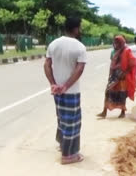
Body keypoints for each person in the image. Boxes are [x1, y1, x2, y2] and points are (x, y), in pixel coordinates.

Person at [44, 17, 87, 165]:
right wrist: (66, 86)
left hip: (57, 92)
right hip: (71, 92)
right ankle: (68, 155)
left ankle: (62, 144)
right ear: (76, 28)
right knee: (72, 122)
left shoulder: (53, 44)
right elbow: (79, 69)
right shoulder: (80, 47)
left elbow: (47, 65)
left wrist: (53, 84)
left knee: (62, 118)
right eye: (79, 28)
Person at [97, 35, 136, 118]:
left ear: (122, 43)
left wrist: (125, 72)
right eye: (115, 42)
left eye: (118, 43)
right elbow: (112, 65)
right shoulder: (113, 52)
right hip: (114, 75)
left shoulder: (127, 51)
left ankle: (123, 112)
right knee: (107, 92)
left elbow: (132, 63)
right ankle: (104, 112)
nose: (116, 44)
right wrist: (110, 75)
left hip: (122, 77)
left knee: (122, 94)